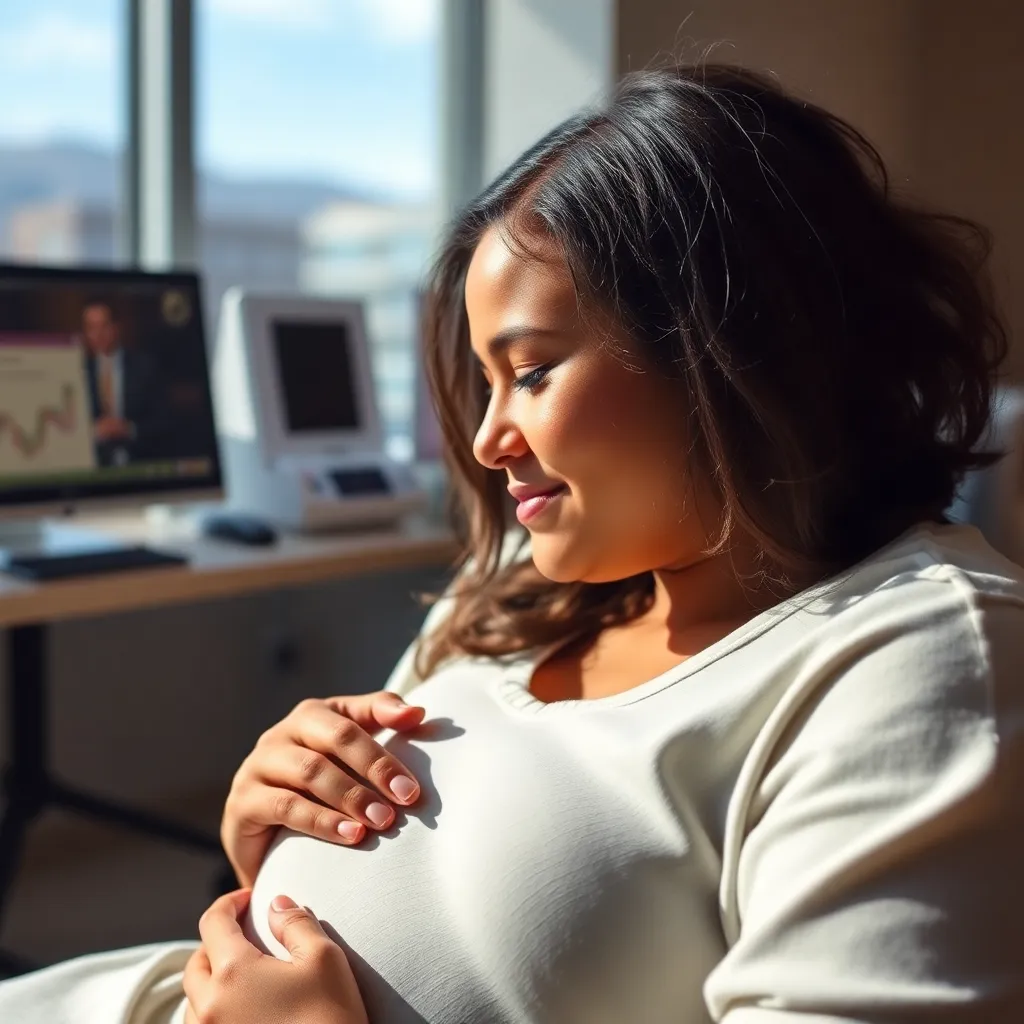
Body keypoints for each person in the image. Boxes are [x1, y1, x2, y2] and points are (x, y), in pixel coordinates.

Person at [2, 62, 1023, 1023]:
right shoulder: (516, 594)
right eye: (485, 382)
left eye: (529, 372)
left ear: (732, 349)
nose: (491, 439)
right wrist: (275, 817)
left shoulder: (916, 658)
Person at [80, 299, 169, 467]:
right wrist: (94, 430)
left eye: (103, 326)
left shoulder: (144, 367)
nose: (98, 334)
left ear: (116, 327)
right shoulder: (79, 372)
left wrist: (129, 429)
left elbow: (164, 422)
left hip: (142, 459)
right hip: (95, 464)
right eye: (91, 328)